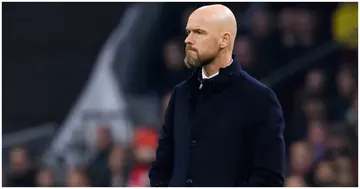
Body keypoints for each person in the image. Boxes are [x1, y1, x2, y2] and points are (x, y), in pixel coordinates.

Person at [149, 4, 286, 187]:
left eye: (199, 33)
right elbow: (162, 164)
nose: (188, 40)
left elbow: (269, 177)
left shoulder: (259, 98)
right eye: (189, 32)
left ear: (224, 40)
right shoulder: (180, 95)